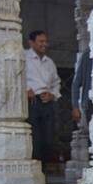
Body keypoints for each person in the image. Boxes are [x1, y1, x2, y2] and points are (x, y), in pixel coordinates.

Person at [25, 30, 68, 163]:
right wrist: (25, 90)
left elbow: (57, 83)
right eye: (41, 41)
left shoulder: (49, 62)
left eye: (45, 41)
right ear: (31, 43)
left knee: (48, 139)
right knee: (35, 137)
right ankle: (34, 169)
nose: (44, 44)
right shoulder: (23, 57)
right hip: (32, 101)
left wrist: (52, 94)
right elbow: (16, 76)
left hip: (47, 101)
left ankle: (43, 171)